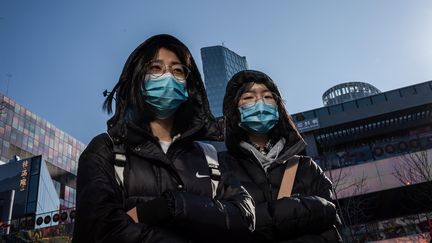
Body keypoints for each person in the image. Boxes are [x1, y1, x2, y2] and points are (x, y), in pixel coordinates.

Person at [72, 34, 255, 243]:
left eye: (177, 70)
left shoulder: (210, 157)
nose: (167, 76)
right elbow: (98, 232)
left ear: (188, 87)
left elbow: (245, 216)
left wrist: (176, 205)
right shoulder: (105, 150)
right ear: (138, 80)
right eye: (155, 68)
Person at [221, 70, 342, 242]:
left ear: (278, 108)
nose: (260, 103)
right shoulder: (221, 167)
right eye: (248, 97)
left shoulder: (306, 167)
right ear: (234, 110)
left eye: (268, 97)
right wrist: (299, 211)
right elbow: (225, 226)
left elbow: (331, 223)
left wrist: (258, 218)